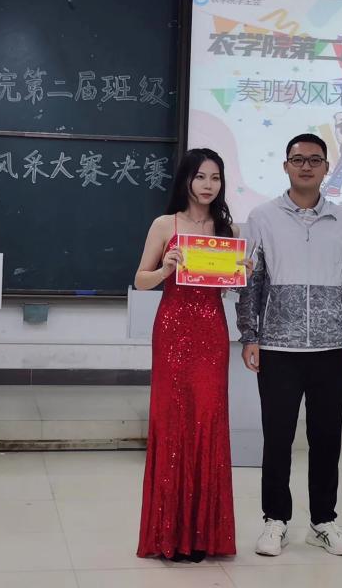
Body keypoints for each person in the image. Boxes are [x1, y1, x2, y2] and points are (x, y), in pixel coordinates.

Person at [237, 133, 342, 557]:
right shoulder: (262, 217)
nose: (306, 166)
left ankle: (322, 522)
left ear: (327, 167)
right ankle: (275, 521)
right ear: (286, 166)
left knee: (326, 438)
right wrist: (250, 335)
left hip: (331, 347)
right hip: (278, 348)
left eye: (314, 160)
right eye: (298, 159)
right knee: (277, 438)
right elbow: (251, 281)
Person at [134, 148, 238, 562]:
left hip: (212, 333)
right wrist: (165, 269)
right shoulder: (165, 224)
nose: (208, 185)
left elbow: (227, 287)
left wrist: (240, 273)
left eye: (215, 178)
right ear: (186, 180)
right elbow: (141, 280)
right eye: (200, 177)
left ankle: (203, 536)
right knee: (173, 422)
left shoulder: (226, 229)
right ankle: (169, 535)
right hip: (173, 330)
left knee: (208, 421)